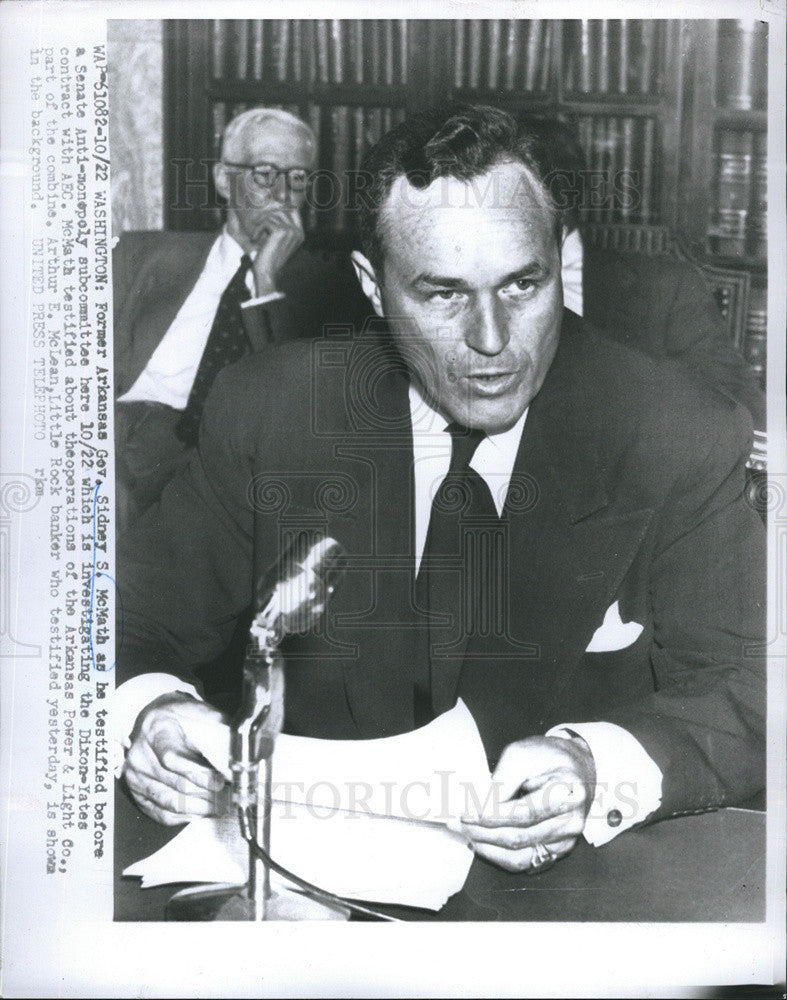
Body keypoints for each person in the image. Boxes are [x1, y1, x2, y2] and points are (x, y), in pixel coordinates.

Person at [116, 105, 765, 876]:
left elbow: (756, 683)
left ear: (560, 259)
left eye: (523, 284)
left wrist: (601, 765)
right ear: (372, 285)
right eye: (443, 294)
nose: (492, 341)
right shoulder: (273, 410)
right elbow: (123, 625)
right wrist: (147, 713)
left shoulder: (674, 430)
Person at [113, 106, 365, 528]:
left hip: (215, 470)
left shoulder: (331, 293)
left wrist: (266, 280)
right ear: (223, 180)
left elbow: (295, 415)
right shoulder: (143, 257)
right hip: (115, 439)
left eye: (298, 178)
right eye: (265, 173)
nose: (284, 194)